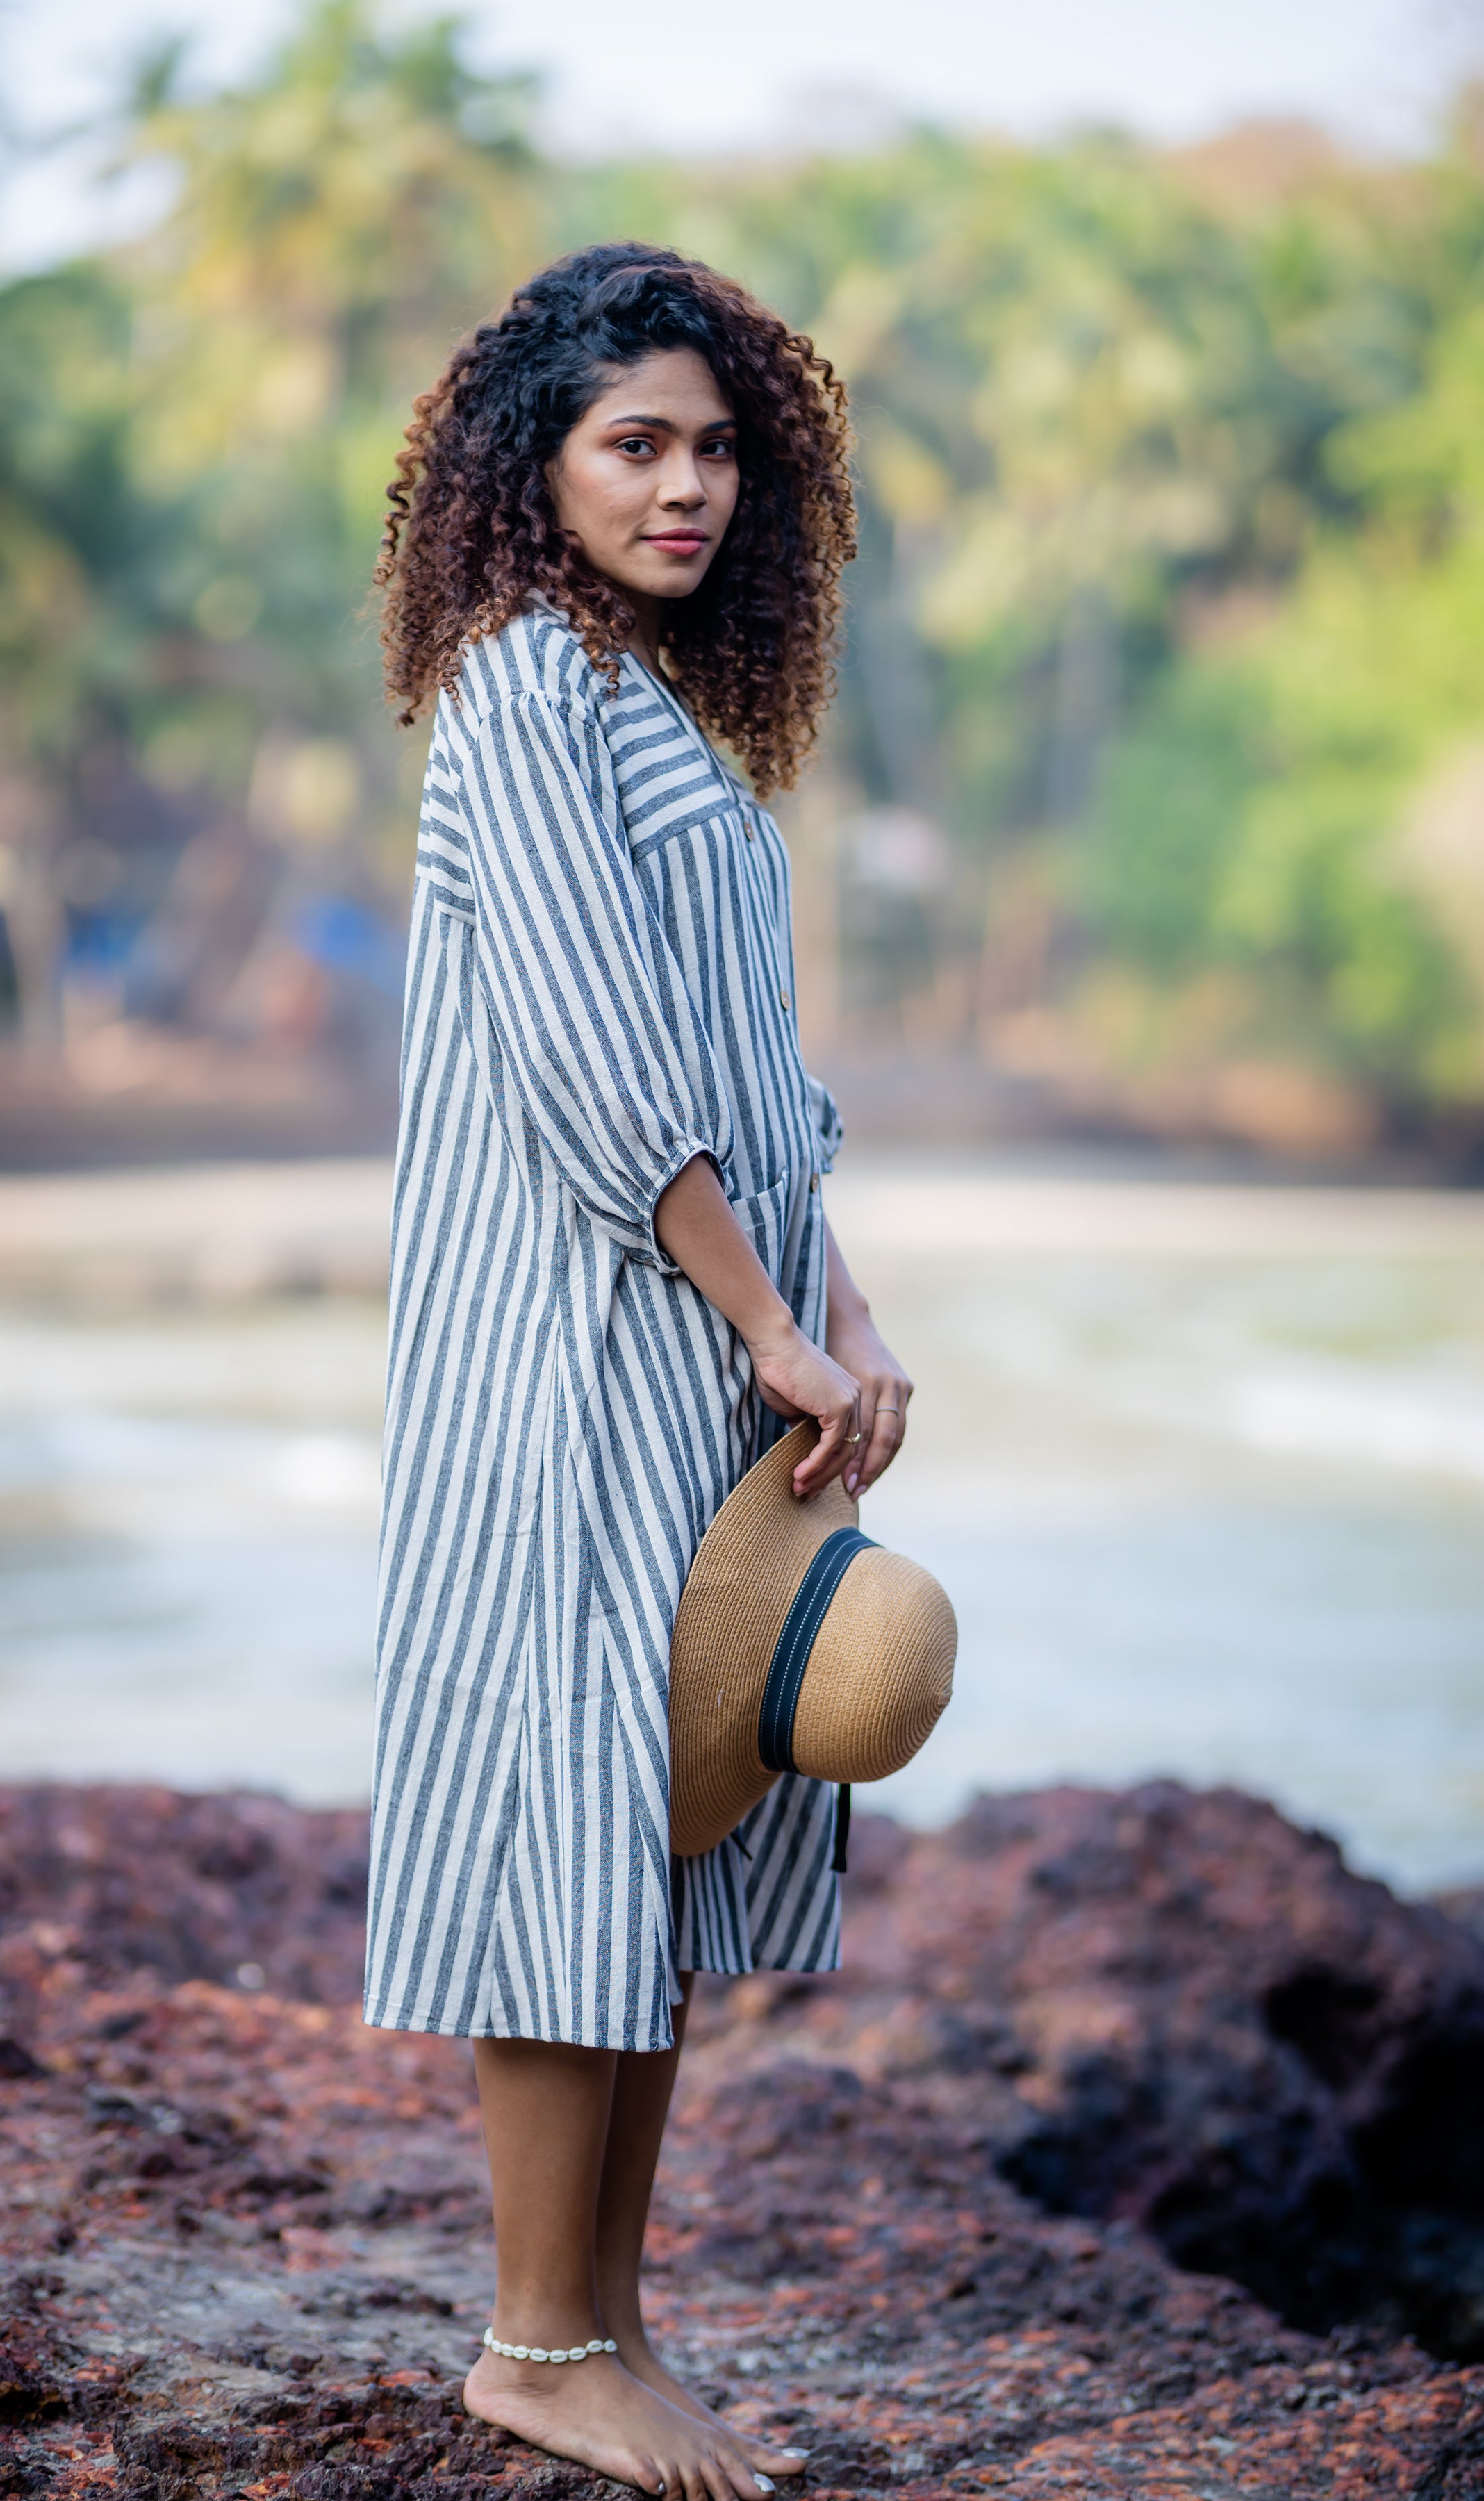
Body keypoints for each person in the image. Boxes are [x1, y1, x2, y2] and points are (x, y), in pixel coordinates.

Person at [364, 243, 914, 2501]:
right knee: (565, 1835)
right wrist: (768, 1318)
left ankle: (610, 2312)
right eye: (636, 444)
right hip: (572, 1363)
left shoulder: (655, 706)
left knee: (665, 1844)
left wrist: (840, 1304)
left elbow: (750, 1079)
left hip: (701, 1357)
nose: (687, 484)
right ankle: (532, 2340)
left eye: (714, 449)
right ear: (539, 466)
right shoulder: (518, 687)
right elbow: (606, 1072)